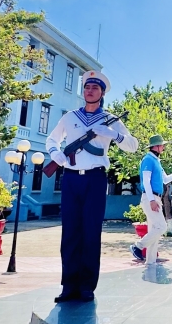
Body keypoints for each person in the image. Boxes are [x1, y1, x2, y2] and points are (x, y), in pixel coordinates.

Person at [46, 71, 138, 303]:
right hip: (71, 178)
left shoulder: (111, 119)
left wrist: (113, 134)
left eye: (95, 88)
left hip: (96, 179)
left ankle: (86, 286)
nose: (90, 91)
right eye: (87, 87)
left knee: (91, 233)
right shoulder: (70, 117)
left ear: (102, 93)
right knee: (70, 233)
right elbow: (52, 139)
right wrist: (56, 154)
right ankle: (69, 286)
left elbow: (133, 146)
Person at [130, 135, 172, 265]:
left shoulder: (155, 161)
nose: (163, 147)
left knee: (154, 231)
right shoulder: (148, 160)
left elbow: (165, 179)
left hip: (155, 198)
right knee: (161, 227)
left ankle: (150, 263)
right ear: (156, 146)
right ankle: (137, 246)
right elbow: (146, 182)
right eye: (162, 145)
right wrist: (151, 200)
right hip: (151, 198)